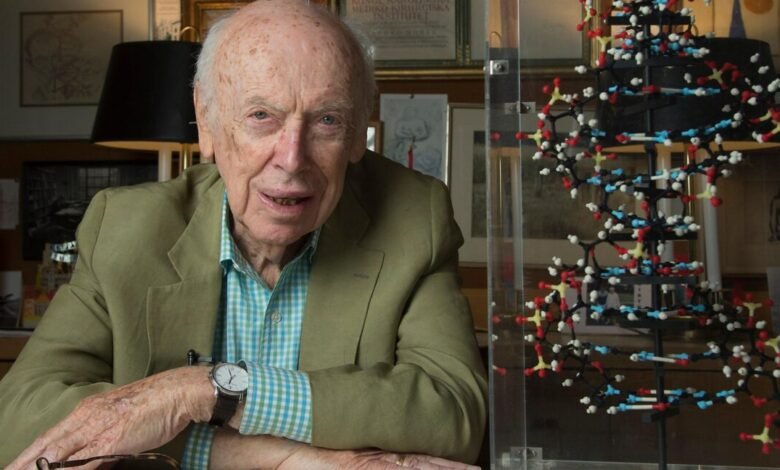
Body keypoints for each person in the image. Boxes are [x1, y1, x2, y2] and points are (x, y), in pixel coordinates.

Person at [0, 1, 487, 468]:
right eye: (261, 116)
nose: (291, 158)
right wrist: (279, 459)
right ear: (207, 123)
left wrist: (202, 390)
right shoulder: (126, 226)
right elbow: (18, 418)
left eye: (327, 121)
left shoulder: (413, 216)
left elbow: (454, 415)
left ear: (359, 132)